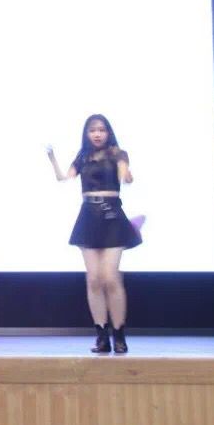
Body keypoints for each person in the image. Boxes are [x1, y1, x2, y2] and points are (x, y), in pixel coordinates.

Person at [47, 114, 139, 354]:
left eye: (101, 129)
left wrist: (126, 174)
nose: (97, 134)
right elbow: (63, 178)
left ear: (108, 132)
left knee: (110, 276)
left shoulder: (118, 153)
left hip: (112, 216)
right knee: (94, 278)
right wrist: (52, 158)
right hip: (88, 216)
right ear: (87, 134)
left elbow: (126, 177)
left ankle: (119, 334)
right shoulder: (83, 157)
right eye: (93, 130)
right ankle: (101, 335)